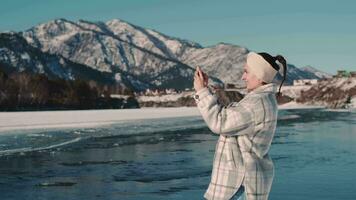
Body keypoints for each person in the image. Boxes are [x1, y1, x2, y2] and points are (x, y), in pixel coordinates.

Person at [193, 52, 287, 200]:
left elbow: (220, 122)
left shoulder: (255, 104)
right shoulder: (261, 100)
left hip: (236, 186)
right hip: (242, 183)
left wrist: (201, 91)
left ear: (259, 75)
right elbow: (233, 116)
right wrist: (207, 90)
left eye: (246, 71)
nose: (243, 77)